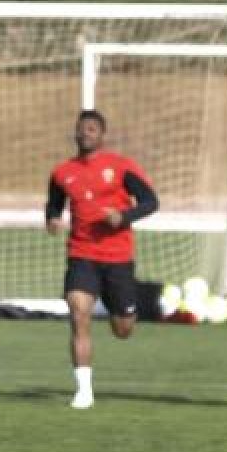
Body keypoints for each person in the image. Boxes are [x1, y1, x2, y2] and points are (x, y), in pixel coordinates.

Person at [45, 109, 159, 409]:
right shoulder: (62, 173)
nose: (86, 134)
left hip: (118, 258)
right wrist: (53, 219)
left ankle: (122, 306)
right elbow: (53, 204)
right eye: (82, 129)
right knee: (78, 311)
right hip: (82, 255)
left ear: (102, 134)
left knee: (123, 329)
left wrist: (123, 217)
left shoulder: (122, 168)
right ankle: (84, 390)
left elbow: (151, 201)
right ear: (76, 133)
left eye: (92, 129)